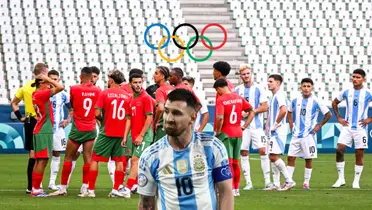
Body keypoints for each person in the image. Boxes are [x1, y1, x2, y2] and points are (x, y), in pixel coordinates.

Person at [137, 88, 234, 209]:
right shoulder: (151, 156)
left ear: (192, 118)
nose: (168, 119)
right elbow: (146, 203)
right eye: (167, 111)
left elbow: (226, 192)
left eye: (177, 113)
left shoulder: (212, 147)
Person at [49, 67, 101, 196]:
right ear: (91, 77)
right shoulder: (97, 90)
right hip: (91, 128)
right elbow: (98, 109)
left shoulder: (75, 88)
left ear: (81, 76)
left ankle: (63, 188)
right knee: (88, 158)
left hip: (77, 127)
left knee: (68, 157)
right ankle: (85, 187)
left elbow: (72, 104)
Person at [79, 70, 130, 198]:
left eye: (108, 78)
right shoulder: (127, 96)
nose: (107, 80)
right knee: (119, 161)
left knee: (95, 159)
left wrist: (104, 119)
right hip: (121, 133)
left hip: (106, 131)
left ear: (112, 80)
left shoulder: (105, 93)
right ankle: (116, 189)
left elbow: (96, 113)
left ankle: (90, 190)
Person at [287, 78, 332, 190]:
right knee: (291, 158)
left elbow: (328, 114)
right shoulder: (295, 100)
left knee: (308, 159)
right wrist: (291, 125)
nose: (306, 88)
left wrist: (318, 126)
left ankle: (306, 183)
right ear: (300, 87)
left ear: (312, 88)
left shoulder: (316, 101)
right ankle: (289, 182)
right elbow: (289, 112)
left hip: (309, 135)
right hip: (296, 135)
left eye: (308, 86)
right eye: (304, 86)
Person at [10, 63, 49, 194]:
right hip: (40, 121)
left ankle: (31, 186)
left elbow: (14, 103)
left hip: (29, 120)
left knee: (32, 154)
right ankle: (35, 186)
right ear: (43, 74)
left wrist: (20, 117)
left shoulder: (25, 87)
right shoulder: (44, 87)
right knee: (40, 155)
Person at [214, 78, 255, 196]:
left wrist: (218, 131)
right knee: (236, 163)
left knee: (228, 162)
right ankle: (236, 189)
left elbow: (220, 117)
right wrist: (244, 126)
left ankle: (230, 189)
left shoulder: (221, 99)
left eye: (217, 90)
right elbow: (251, 111)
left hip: (226, 133)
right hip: (238, 132)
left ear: (219, 88)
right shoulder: (239, 98)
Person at [331, 69, 372, 189]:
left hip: (361, 128)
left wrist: (370, 119)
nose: (355, 79)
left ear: (363, 79)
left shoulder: (368, 93)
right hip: (347, 127)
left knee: (359, 153)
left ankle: (356, 181)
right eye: (353, 77)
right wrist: (338, 117)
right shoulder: (346, 91)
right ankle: (341, 179)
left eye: (358, 77)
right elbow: (334, 103)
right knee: (339, 149)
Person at [235, 65, 271, 190]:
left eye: (248, 73)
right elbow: (235, 107)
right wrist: (241, 113)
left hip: (256, 126)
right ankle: (248, 183)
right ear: (241, 76)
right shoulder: (237, 90)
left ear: (251, 74)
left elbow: (265, 107)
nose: (246, 76)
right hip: (242, 127)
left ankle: (267, 182)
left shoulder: (259, 88)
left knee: (263, 150)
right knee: (244, 152)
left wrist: (251, 112)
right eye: (244, 74)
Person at [30, 74, 64, 197]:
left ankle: (35, 188)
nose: (49, 85)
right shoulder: (42, 94)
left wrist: (47, 80)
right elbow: (60, 87)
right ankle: (36, 189)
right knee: (42, 160)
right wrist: (49, 79)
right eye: (47, 83)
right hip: (44, 130)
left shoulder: (36, 94)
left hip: (40, 129)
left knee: (39, 160)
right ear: (41, 83)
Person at [122, 73, 154, 197]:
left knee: (135, 160)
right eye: (135, 82)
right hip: (134, 135)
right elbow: (129, 119)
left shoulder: (146, 98)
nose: (138, 85)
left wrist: (141, 136)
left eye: (140, 82)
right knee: (136, 162)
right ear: (130, 84)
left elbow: (149, 118)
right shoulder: (131, 99)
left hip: (144, 135)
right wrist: (125, 136)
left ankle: (127, 189)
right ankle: (137, 186)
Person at [266, 74, 296, 191]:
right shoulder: (273, 96)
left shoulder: (279, 95)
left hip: (278, 131)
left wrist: (275, 124)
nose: (268, 83)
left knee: (274, 156)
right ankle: (276, 184)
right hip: (273, 131)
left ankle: (289, 181)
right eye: (268, 81)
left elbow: (284, 110)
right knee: (272, 156)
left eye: (271, 81)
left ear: (278, 83)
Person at [47, 70, 72, 190]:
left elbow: (72, 108)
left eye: (55, 79)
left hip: (58, 129)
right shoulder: (43, 93)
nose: (53, 82)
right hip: (45, 129)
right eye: (51, 79)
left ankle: (52, 182)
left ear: (59, 80)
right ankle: (38, 184)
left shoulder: (63, 94)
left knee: (57, 154)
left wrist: (68, 120)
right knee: (41, 156)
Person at [153, 66, 174, 141]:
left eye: (156, 73)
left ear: (162, 76)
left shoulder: (160, 90)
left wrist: (156, 122)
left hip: (163, 124)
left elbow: (160, 108)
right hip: (174, 123)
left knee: (160, 150)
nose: (153, 75)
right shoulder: (173, 88)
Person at [213, 61, 235, 134]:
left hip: (223, 128)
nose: (213, 73)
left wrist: (218, 130)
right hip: (230, 126)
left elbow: (223, 111)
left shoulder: (222, 88)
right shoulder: (230, 85)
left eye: (214, 71)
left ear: (219, 73)